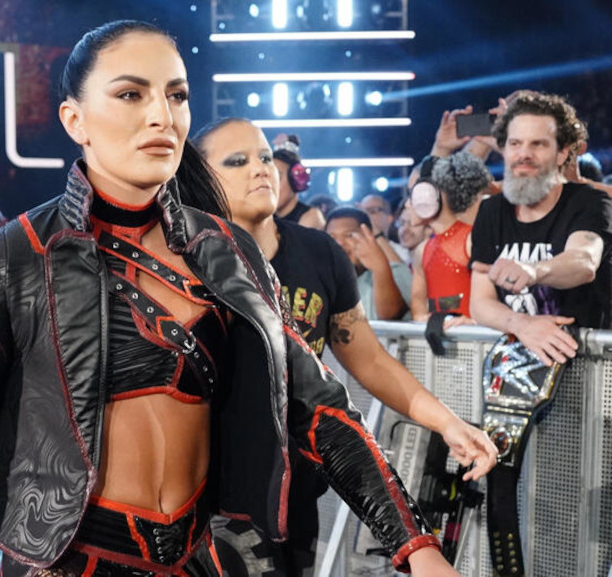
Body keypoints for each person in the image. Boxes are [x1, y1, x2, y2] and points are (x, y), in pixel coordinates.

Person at [0, 20, 458, 577]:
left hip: (197, 556)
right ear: (75, 120)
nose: (162, 116)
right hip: (66, 562)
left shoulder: (229, 251)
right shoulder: (14, 258)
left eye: (176, 95)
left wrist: (418, 547)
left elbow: (318, 406)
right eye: (131, 94)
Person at [194, 117, 496, 576]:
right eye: (237, 161)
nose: (260, 168)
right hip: (210, 501)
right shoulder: (185, 261)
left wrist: (447, 423)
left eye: (264, 157)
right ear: (202, 178)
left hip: (298, 489)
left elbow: (370, 361)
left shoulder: (320, 253)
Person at [470, 90, 612, 366]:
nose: (524, 154)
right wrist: (521, 324)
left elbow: (583, 261)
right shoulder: (491, 211)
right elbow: (480, 301)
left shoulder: (590, 201)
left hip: (589, 368)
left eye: (538, 144)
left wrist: (534, 270)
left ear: (562, 153)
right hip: (517, 370)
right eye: (515, 143)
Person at [407, 152, 491, 326]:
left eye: (412, 194)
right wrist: (422, 318)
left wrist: (473, 323)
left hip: (476, 338)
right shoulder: (422, 250)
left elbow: (494, 299)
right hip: (437, 338)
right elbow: (417, 301)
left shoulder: (472, 241)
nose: (408, 204)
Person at [325, 207, 412, 320]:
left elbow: (391, 314)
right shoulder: (323, 282)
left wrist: (379, 268)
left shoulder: (397, 271)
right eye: (332, 237)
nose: (339, 243)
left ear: (369, 236)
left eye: (348, 235)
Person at [272, 134, 326, 230]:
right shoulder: (266, 217)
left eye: (277, 178)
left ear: (296, 180)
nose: (271, 185)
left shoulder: (311, 217)